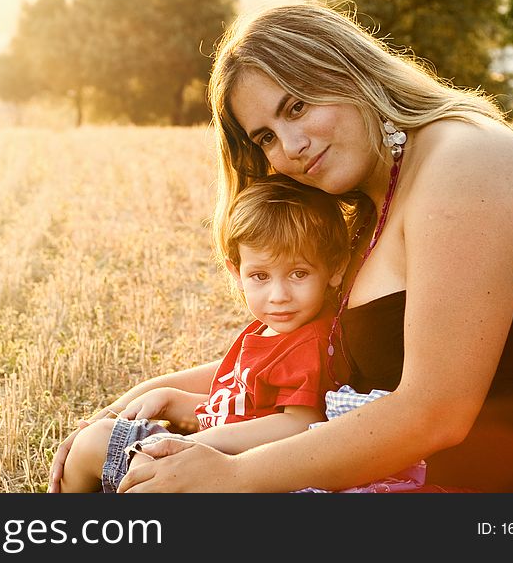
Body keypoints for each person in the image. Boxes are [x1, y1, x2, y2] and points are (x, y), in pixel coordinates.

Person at [50, 1, 513, 493]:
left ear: (351, 71)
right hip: (420, 478)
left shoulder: (462, 163)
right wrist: (144, 396)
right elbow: (312, 355)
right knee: (116, 454)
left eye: (296, 107)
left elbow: (435, 412)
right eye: (264, 136)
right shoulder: (374, 203)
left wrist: (232, 477)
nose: (290, 147)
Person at [53, 174, 350, 492]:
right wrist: (170, 399)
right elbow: (238, 409)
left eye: (299, 273)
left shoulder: (309, 341)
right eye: (260, 276)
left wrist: (187, 446)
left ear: (335, 269)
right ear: (237, 274)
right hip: (214, 455)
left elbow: (299, 423)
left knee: (93, 444)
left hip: (229, 471)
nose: (279, 295)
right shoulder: (273, 330)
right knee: (94, 439)